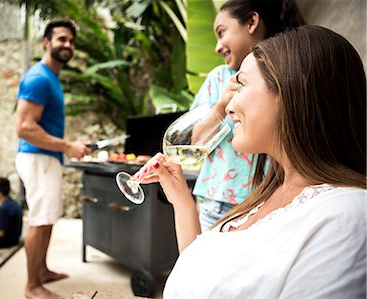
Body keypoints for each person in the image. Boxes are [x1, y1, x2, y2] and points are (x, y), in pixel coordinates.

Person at [135, 25, 366, 298]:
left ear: (293, 88)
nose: (229, 105)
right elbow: (202, 279)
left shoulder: (345, 216)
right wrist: (181, 202)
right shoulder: (265, 196)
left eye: (240, 85)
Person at [191, 0, 306, 231]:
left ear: (252, 22)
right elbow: (195, 144)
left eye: (222, 33)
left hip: (272, 202)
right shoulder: (218, 79)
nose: (217, 46)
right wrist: (222, 104)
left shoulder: (292, 76)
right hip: (217, 203)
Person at [15, 19, 92, 299]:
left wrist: (66, 146)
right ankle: (32, 286)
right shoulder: (39, 78)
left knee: (47, 219)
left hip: (46, 158)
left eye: (71, 40)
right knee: (39, 220)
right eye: (61, 39)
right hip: (37, 159)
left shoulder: (50, 77)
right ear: (46, 42)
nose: (67, 45)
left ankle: (42, 270)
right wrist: (67, 146)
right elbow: (24, 127)